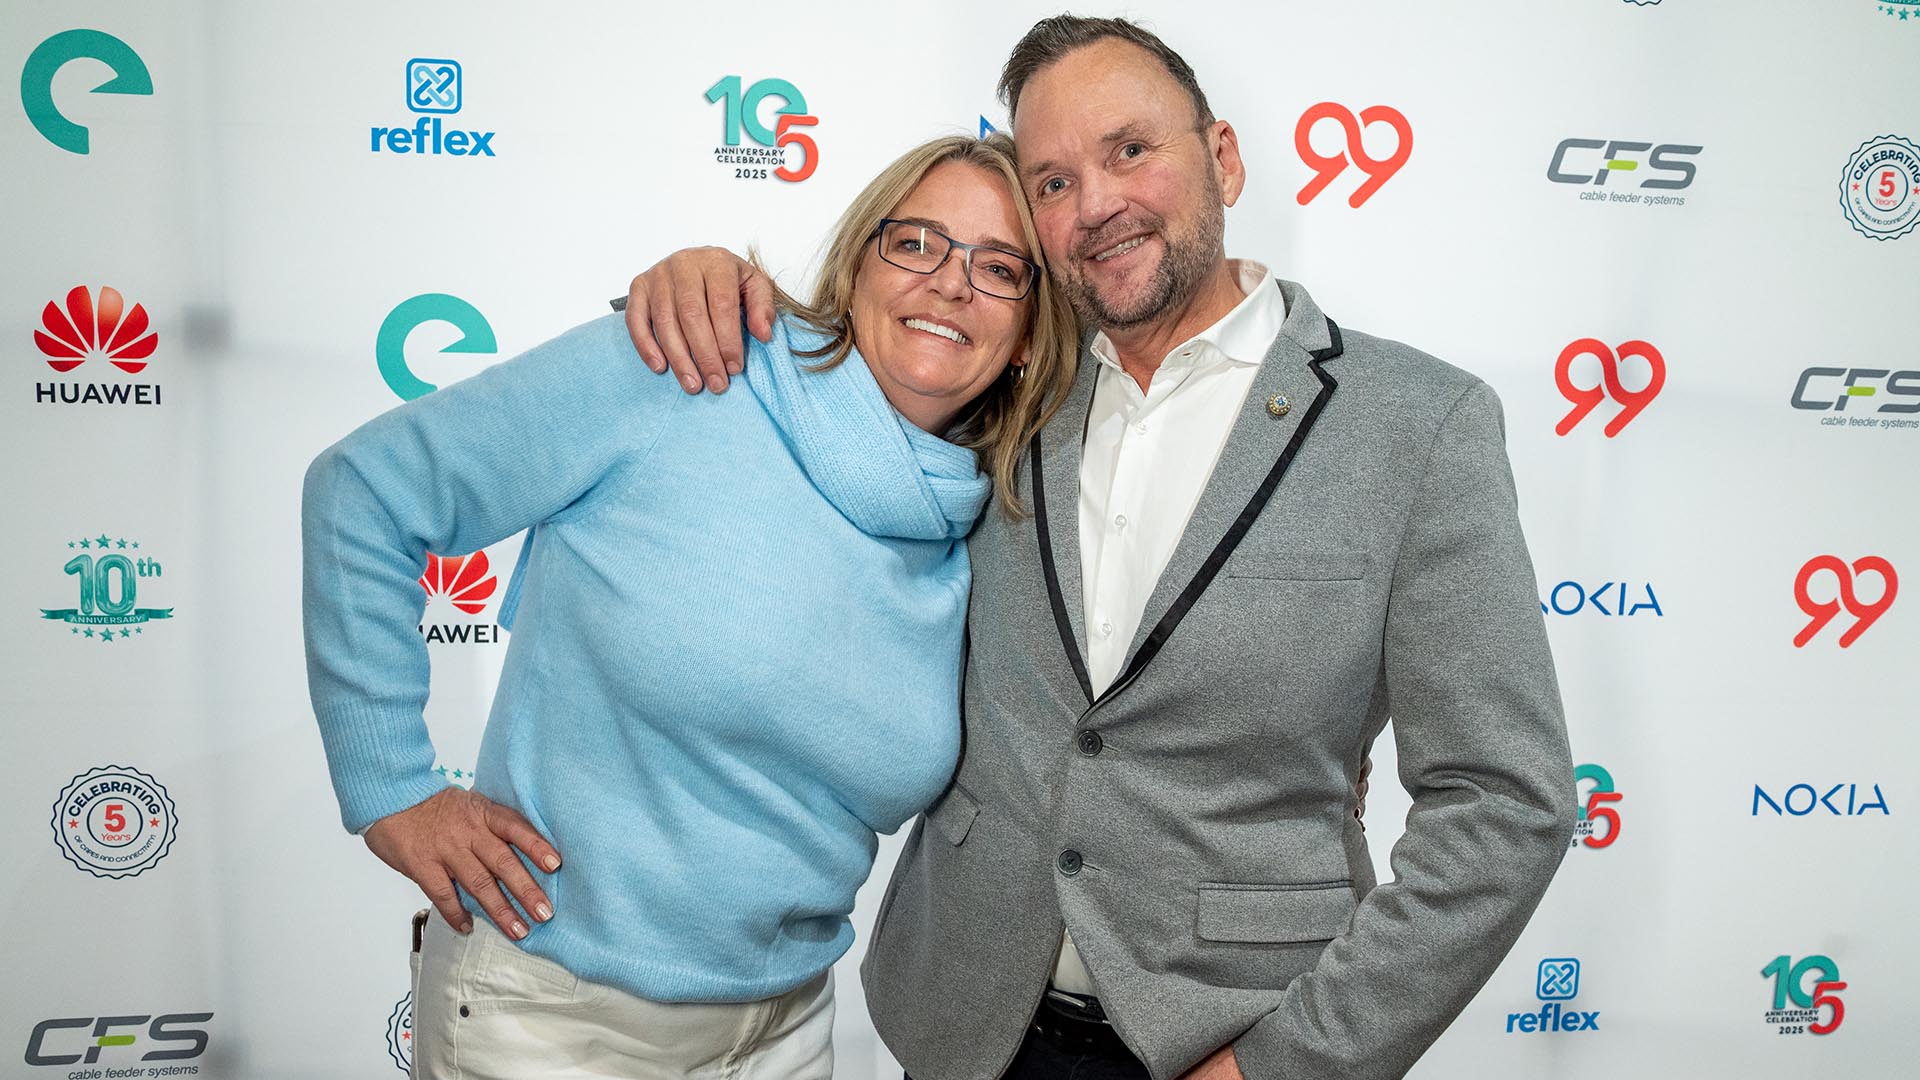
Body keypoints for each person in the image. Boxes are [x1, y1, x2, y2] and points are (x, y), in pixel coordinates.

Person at [619, 15, 1576, 1080]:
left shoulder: (1418, 423)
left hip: (1240, 1037)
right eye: (1054, 181)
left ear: (1222, 158)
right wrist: (711, 281)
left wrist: (1292, 1063)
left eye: (1130, 150)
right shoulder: (1006, 380)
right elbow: (857, 351)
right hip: (963, 1022)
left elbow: (1505, 801)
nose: (1096, 204)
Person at [301, 132, 1078, 1079]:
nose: (951, 282)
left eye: (999, 268)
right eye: (915, 242)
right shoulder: (693, 366)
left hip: (785, 1029)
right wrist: (392, 789)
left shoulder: (988, 517)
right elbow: (363, 491)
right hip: (553, 1020)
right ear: (856, 266)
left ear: (1029, 335)